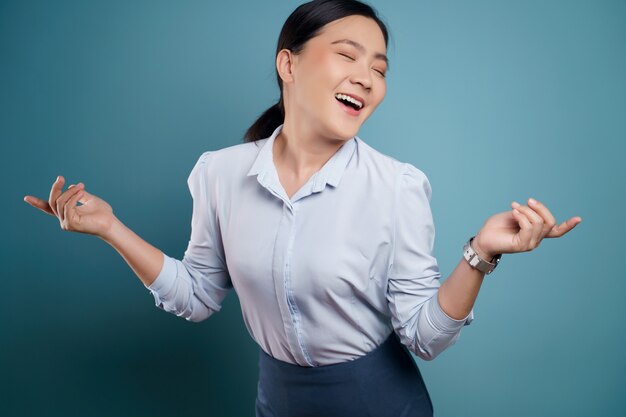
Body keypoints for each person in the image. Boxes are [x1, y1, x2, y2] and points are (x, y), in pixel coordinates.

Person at [23, 0, 582, 416]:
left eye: (381, 69)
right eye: (348, 56)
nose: (367, 77)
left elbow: (425, 338)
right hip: (278, 403)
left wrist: (481, 253)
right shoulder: (218, 173)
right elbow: (195, 297)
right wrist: (109, 228)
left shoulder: (397, 186)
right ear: (288, 65)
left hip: (381, 403)